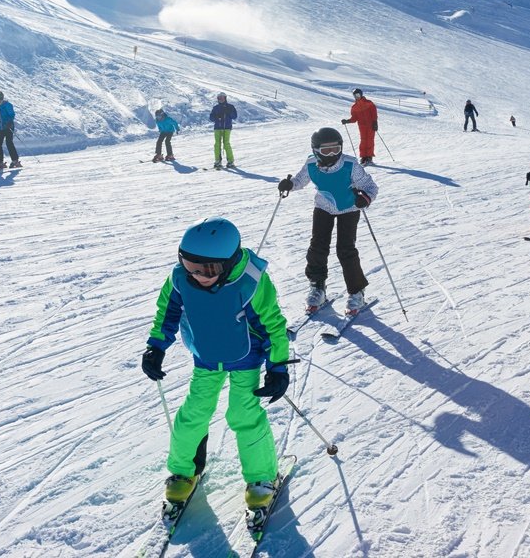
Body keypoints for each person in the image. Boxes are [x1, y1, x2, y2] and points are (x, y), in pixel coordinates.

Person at [140, 217, 290, 514]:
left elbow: (273, 325)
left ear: (229, 261)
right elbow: (166, 314)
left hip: (245, 358)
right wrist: (155, 347)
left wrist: (277, 367)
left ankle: (261, 478)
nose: (197, 276)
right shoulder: (180, 280)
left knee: (243, 414)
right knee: (193, 413)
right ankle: (184, 470)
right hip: (206, 358)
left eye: (207, 269)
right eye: (189, 265)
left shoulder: (250, 281)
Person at [277, 127, 379, 316]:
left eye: (336, 149)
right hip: (323, 207)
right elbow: (300, 180)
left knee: (345, 249)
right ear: (316, 151)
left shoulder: (350, 164)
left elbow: (370, 186)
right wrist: (290, 184)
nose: (332, 154)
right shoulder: (310, 164)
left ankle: (356, 291)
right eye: (326, 151)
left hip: (349, 208)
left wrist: (365, 198)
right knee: (317, 247)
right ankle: (317, 287)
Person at [341, 88, 379, 164]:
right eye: (355, 95)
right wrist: (347, 121)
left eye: (358, 95)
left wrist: (375, 122)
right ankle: (363, 157)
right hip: (362, 126)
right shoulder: (354, 107)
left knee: (370, 140)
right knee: (363, 140)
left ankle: (369, 157)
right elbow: (354, 118)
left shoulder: (369, 103)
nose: (357, 97)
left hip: (370, 125)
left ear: (361, 94)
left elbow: (374, 113)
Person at [0, 90, 21, 170]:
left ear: (1, 98)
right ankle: (0, 162)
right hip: (0, 128)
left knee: (9, 143)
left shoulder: (7, 105)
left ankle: (15, 160)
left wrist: (9, 122)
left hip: (8, 127)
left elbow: (12, 115)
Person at [210, 93, 238, 169]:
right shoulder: (216, 108)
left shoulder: (230, 107)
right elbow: (211, 118)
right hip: (217, 128)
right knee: (217, 144)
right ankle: (217, 161)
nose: (220, 99)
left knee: (226, 143)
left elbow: (234, 116)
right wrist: (216, 117)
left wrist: (229, 112)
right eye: (219, 98)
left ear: (225, 98)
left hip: (227, 127)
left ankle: (230, 161)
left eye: (222, 98)